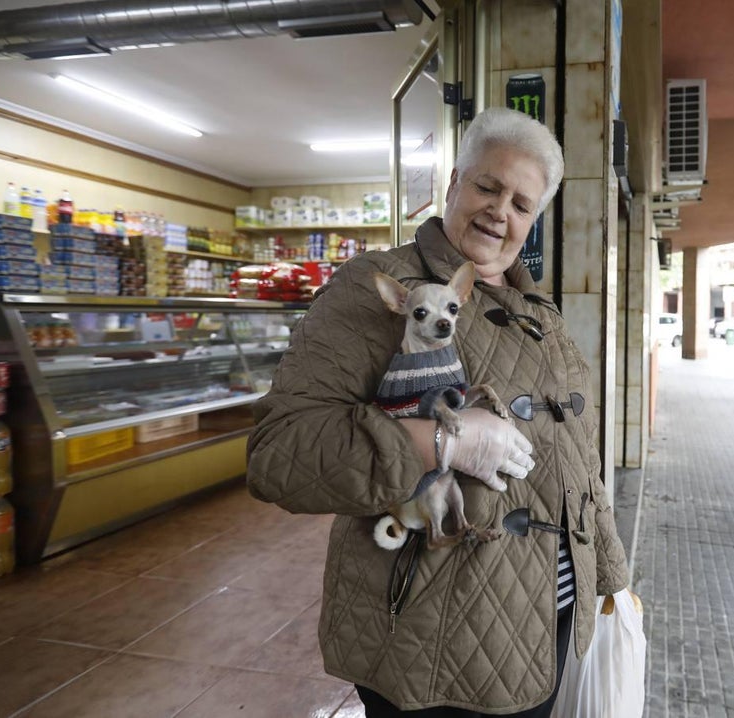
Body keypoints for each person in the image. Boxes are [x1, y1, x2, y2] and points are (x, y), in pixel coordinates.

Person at [246, 107, 628, 717]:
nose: (501, 211)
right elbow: (280, 453)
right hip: (430, 640)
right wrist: (441, 444)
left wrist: (612, 576)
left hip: (544, 624)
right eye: (487, 186)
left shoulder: (540, 313)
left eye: (522, 204)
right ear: (453, 183)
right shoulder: (375, 286)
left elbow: (579, 456)